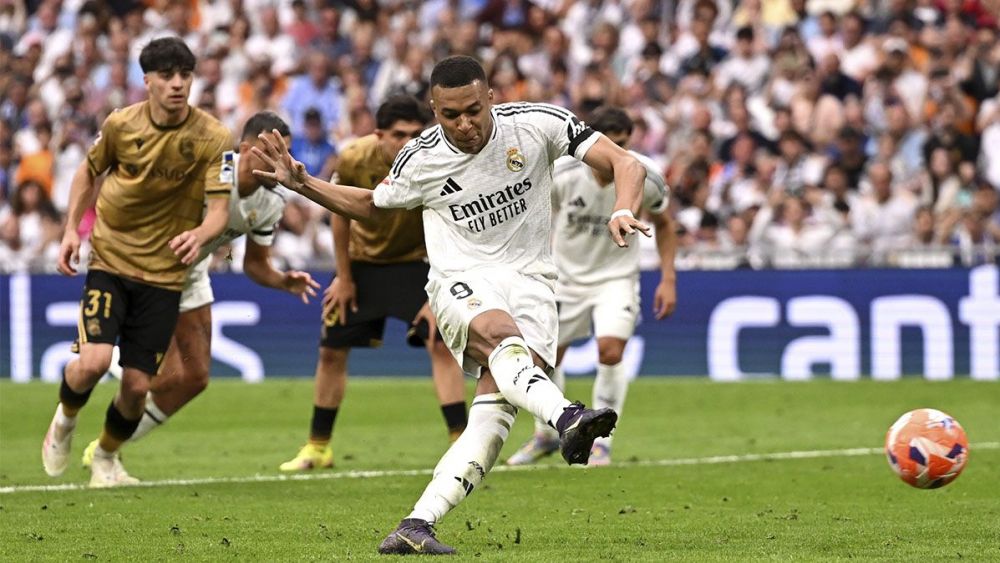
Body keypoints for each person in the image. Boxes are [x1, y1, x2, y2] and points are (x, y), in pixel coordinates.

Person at [252, 55, 651, 555]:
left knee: (493, 418)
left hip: (533, 282)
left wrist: (621, 207)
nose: (463, 124)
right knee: (503, 340)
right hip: (461, 280)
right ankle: (566, 415)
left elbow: (626, 162)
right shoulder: (420, 158)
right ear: (434, 110)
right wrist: (304, 183)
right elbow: (370, 207)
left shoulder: (537, 124)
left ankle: (416, 523)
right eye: (449, 115)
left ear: (490, 99)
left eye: (472, 110)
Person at [77, 111, 320, 477]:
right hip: (153, 272)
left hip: (192, 277)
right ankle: (113, 356)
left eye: (284, 153)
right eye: (270, 151)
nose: (279, 162)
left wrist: (284, 281)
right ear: (243, 149)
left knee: (194, 379)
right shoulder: (208, 171)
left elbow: (256, 264)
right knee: (159, 378)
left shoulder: (271, 202)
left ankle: (107, 447)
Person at [42, 37, 234, 488]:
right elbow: (88, 171)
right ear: (146, 81)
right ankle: (66, 420)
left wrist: (201, 234)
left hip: (164, 276)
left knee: (135, 387)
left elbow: (221, 210)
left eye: (185, 75)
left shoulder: (214, 137)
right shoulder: (120, 125)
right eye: (167, 76)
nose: (177, 84)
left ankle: (105, 456)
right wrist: (72, 229)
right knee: (91, 364)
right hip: (111, 260)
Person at [279, 95, 468, 472]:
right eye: (399, 135)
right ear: (379, 134)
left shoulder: (438, 158)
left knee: (441, 344)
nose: (409, 142)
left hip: (416, 264)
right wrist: (344, 277)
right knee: (331, 351)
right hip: (361, 265)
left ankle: (462, 444)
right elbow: (339, 214)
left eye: (417, 133)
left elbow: (451, 221)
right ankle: (318, 447)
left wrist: (440, 286)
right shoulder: (352, 158)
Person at [506, 106, 678, 467]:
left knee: (611, 351)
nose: (616, 153)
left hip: (616, 278)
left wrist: (668, 278)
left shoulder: (646, 177)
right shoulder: (562, 172)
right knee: (547, 357)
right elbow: (532, 218)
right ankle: (547, 434)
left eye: (624, 144)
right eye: (609, 143)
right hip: (564, 278)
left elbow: (664, 224)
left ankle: (602, 441)